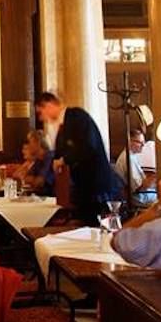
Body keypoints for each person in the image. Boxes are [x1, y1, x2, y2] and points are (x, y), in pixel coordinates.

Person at [37, 92, 123, 225]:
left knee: (101, 229)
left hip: (97, 186)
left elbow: (89, 146)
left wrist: (63, 160)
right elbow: (59, 154)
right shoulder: (62, 127)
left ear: (49, 104)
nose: (42, 118)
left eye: (40, 112)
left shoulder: (76, 116)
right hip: (83, 191)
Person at [113, 128, 155, 202]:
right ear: (129, 141)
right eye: (139, 142)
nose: (143, 145)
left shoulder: (132, 155)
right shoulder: (128, 158)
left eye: (143, 142)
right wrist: (154, 177)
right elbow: (139, 188)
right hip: (136, 197)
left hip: (139, 194)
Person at [11, 130, 55, 196]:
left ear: (38, 143)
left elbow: (40, 182)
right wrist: (31, 179)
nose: (28, 146)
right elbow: (22, 177)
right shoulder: (38, 159)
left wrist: (31, 179)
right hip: (39, 196)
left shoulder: (50, 157)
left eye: (30, 142)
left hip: (50, 199)